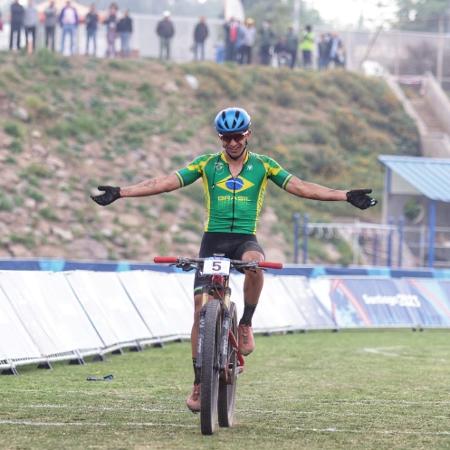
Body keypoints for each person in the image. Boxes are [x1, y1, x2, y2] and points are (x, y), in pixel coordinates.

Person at [90, 107, 377, 413]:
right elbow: (164, 182)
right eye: (226, 138)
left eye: (237, 137)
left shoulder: (264, 166)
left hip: (243, 240)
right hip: (212, 241)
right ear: (220, 138)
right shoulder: (207, 164)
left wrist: (345, 195)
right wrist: (121, 192)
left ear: (247, 135)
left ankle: (246, 323)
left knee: (256, 262)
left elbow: (303, 188)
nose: (232, 143)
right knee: (201, 311)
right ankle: (200, 382)